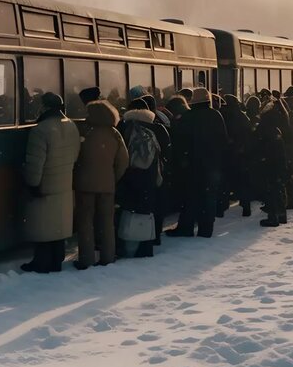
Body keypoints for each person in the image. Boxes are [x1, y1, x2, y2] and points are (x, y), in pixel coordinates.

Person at [20, 93, 80, 274]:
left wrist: (32, 183)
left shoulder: (40, 130)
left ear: (44, 107)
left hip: (45, 184)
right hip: (64, 183)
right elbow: (75, 155)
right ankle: (56, 260)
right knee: (58, 227)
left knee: (43, 227)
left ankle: (42, 262)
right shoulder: (71, 126)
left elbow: (35, 162)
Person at [73, 100, 128, 269]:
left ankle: (86, 258)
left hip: (85, 185)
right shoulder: (114, 134)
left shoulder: (85, 133)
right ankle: (108, 256)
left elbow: (75, 157)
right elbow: (123, 161)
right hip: (107, 185)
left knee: (85, 222)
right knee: (106, 222)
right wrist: (112, 177)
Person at [168, 88, 228, 238]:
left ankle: (186, 227)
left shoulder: (188, 117)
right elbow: (223, 140)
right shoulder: (216, 115)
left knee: (191, 197)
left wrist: (182, 160)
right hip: (212, 164)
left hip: (192, 165)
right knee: (209, 197)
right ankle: (206, 229)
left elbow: (179, 142)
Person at [117, 102, 164, 258]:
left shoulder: (132, 132)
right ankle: (146, 247)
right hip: (150, 179)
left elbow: (131, 160)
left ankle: (131, 248)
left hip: (134, 178)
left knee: (132, 213)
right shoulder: (153, 131)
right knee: (146, 213)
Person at [219, 94, 254, 217]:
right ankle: (246, 207)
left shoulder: (223, 115)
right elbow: (249, 135)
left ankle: (222, 207)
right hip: (242, 155)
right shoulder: (243, 117)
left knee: (225, 182)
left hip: (227, 154)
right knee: (243, 182)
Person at [253, 106, 288, 227]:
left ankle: (273, 217)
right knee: (277, 189)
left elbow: (257, 145)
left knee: (270, 190)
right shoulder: (276, 130)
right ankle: (282, 214)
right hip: (278, 162)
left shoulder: (263, 128)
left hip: (267, 163)